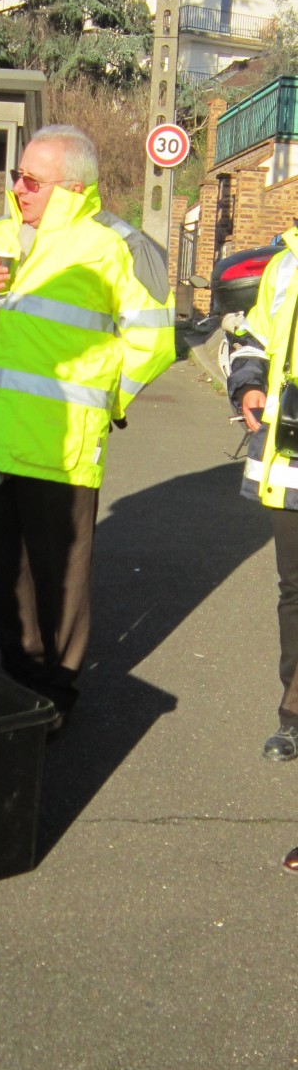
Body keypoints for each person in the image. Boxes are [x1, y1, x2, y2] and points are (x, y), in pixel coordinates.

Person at [0, 125, 176, 729]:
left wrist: (106, 402)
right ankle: (18, 686)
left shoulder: (117, 244)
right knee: (7, 577)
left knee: (61, 579)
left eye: (31, 180)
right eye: (16, 176)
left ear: (73, 187)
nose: (17, 188)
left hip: (62, 444)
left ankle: (57, 694)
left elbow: (155, 339)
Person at [226, 224, 298, 765]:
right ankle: (293, 715)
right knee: (295, 591)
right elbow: (252, 340)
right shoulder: (285, 264)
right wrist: (249, 384)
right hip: (292, 460)